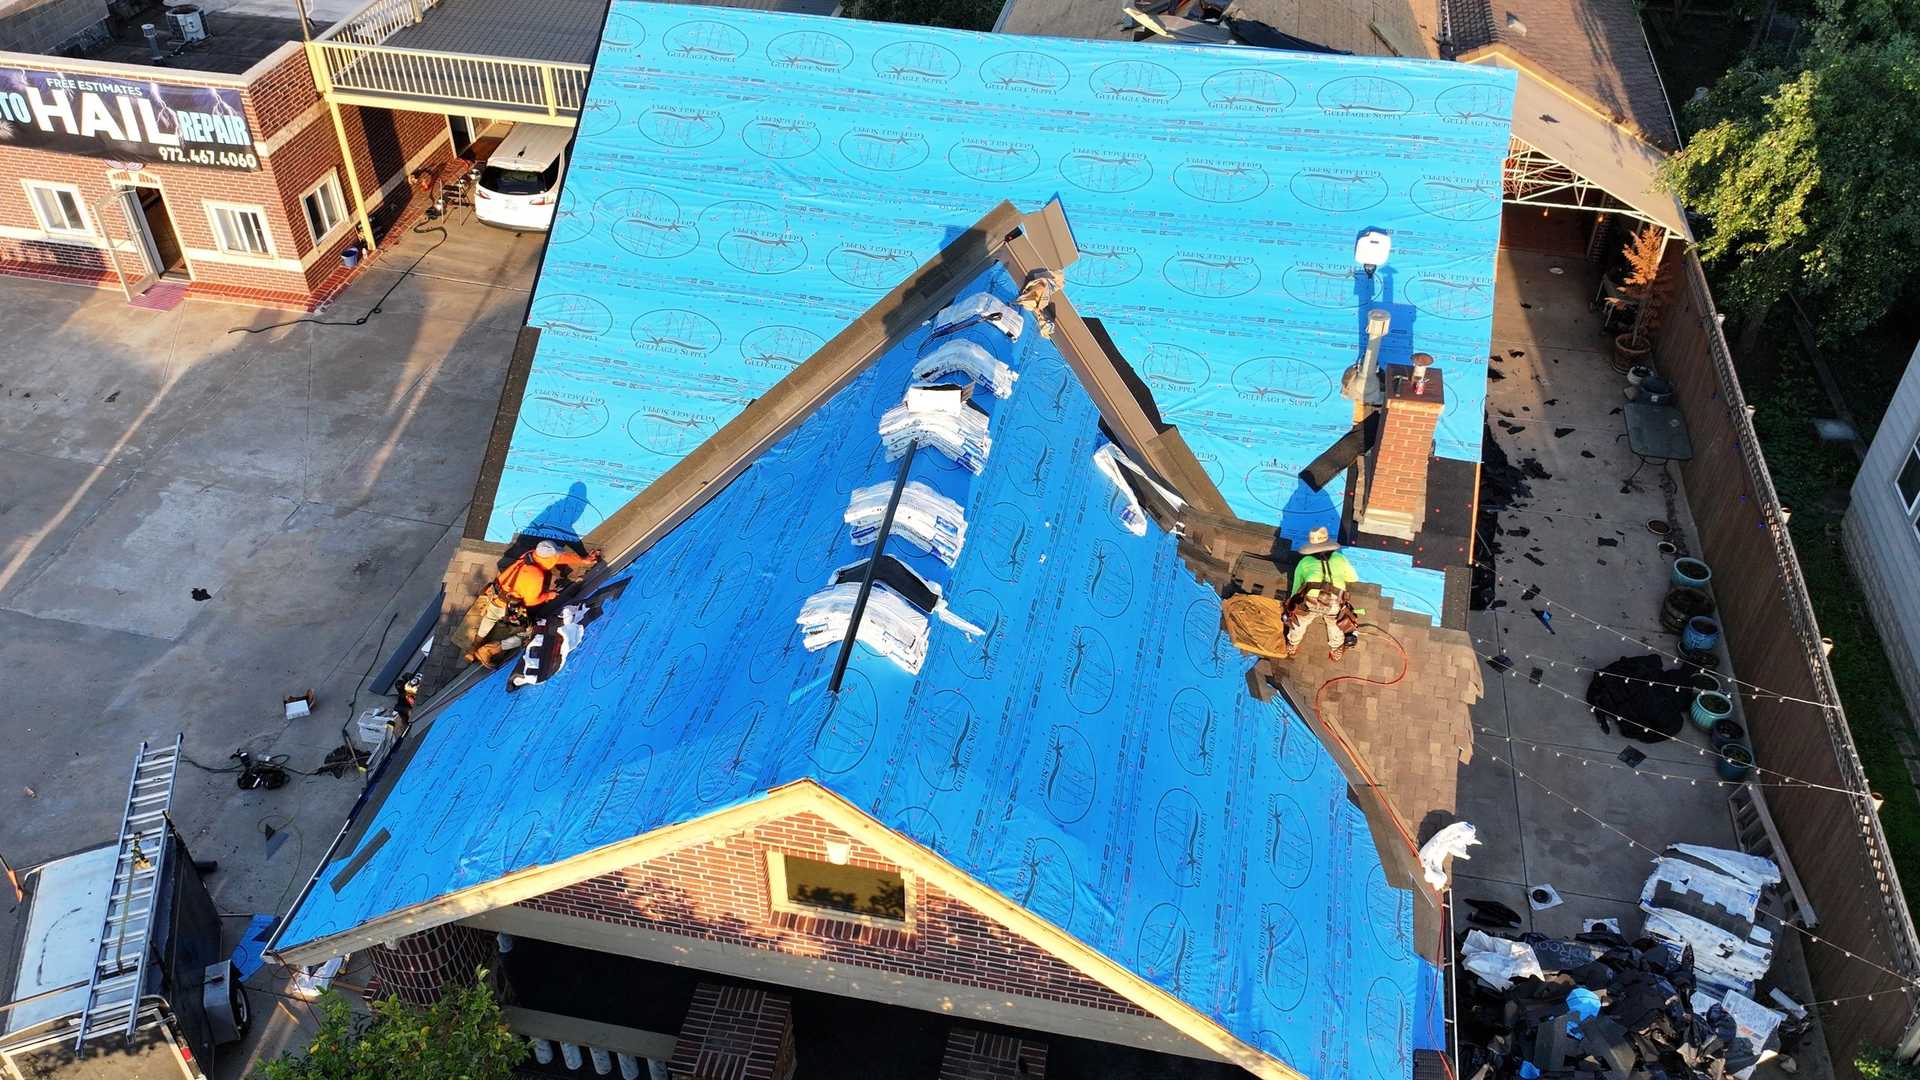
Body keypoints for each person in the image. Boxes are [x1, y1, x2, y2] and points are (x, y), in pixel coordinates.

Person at [459, 540, 601, 667]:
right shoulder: (535, 576)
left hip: (496, 594)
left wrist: (583, 560)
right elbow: (531, 601)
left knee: (490, 618)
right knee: (527, 634)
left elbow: (560, 557)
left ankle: (475, 645)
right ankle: (489, 650)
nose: (557, 558)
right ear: (547, 557)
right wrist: (548, 595)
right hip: (509, 605)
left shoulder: (531, 555)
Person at [1286, 526, 1359, 660]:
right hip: (1334, 601)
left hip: (1310, 601)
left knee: (1299, 622)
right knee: (1336, 624)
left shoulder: (1304, 562)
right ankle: (1336, 649)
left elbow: (1296, 586)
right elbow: (1354, 578)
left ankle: (1292, 644)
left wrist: (1291, 604)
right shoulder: (1339, 559)